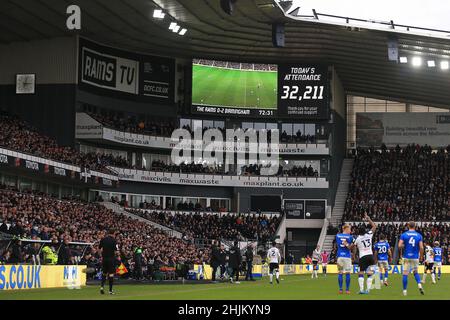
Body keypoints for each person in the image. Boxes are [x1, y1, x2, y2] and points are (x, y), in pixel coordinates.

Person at [398, 221, 424, 296]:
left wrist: (405, 245)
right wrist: (421, 256)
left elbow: (399, 246)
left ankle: (405, 291)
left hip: (406, 257)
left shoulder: (404, 235)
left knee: (405, 274)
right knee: (415, 272)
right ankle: (419, 285)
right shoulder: (419, 235)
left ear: (408, 226)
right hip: (415, 257)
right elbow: (421, 247)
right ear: (415, 226)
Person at [354, 213, 376, 294]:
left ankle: (361, 290)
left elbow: (354, 247)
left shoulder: (358, 239)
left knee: (361, 273)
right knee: (370, 274)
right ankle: (368, 290)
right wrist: (368, 219)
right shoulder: (369, 234)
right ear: (365, 230)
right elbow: (374, 226)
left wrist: (354, 255)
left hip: (363, 257)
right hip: (370, 256)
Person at [336, 224, 355, 294]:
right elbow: (350, 247)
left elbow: (337, 245)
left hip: (340, 257)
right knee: (347, 273)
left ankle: (340, 289)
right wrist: (349, 245)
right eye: (349, 229)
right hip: (347, 257)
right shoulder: (350, 237)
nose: (350, 231)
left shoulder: (337, 236)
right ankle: (347, 290)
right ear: (346, 229)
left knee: (340, 273)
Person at [99, 229, 118, 295]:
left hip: (104, 259)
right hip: (111, 259)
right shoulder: (114, 240)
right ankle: (110, 290)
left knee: (104, 273)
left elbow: (99, 248)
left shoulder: (103, 239)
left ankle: (101, 287)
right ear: (114, 233)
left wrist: (101, 255)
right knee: (111, 274)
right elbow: (116, 251)